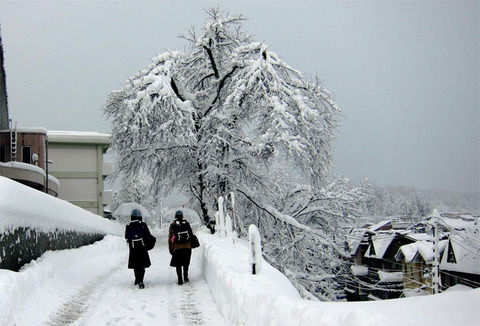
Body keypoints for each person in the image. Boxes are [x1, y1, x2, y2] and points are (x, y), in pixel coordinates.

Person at [125, 208, 152, 289]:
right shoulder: (143, 225)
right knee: (142, 264)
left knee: (136, 264)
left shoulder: (129, 226)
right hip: (142, 247)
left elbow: (127, 237)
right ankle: (141, 280)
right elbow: (148, 235)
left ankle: (137, 279)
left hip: (133, 248)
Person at [168, 210, 194, 285]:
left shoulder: (173, 225)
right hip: (187, 247)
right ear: (182, 216)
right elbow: (191, 234)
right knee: (186, 263)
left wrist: (171, 248)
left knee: (178, 264)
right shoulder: (186, 223)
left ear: (175, 216)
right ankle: (185, 277)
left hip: (177, 247)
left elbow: (170, 238)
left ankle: (180, 280)